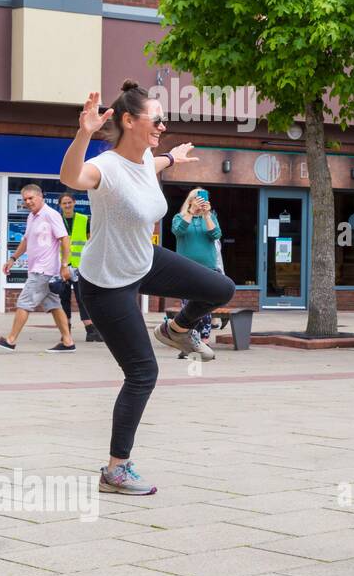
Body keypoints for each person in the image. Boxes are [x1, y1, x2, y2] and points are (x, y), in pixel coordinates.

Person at [60, 82, 234, 495]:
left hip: (144, 259)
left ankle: (176, 329)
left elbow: (152, 166)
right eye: (156, 119)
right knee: (142, 373)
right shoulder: (106, 166)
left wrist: (172, 157)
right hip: (106, 283)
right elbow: (71, 176)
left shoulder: (141, 162)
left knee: (220, 288)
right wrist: (84, 132)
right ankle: (115, 470)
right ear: (128, 120)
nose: (162, 124)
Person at [0, 184, 76, 353]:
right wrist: (13, 258)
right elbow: (25, 241)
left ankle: (10, 340)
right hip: (39, 269)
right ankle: (68, 342)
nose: (28, 202)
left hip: (44, 270)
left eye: (31, 198)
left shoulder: (51, 214)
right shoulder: (32, 217)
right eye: (25, 199)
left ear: (41, 197)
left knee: (24, 303)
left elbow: (65, 239)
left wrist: (64, 265)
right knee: (55, 305)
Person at [170, 188, 223, 354]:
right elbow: (178, 231)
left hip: (208, 269)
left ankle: (204, 341)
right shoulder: (179, 217)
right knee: (188, 308)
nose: (201, 201)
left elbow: (216, 234)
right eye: (197, 198)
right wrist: (191, 212)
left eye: (203, 199)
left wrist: (207, 215)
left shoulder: (210, 217)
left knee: (205, 307)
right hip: (186, 269)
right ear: (191, 200)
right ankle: (187, 341)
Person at [58, 192, 99, 341]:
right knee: (64, 298)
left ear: (74, 203)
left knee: (83, 297)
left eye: (69, 202)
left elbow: (91, 240)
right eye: (64, 203)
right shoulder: (57, 220)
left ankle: (90, 331)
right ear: (60, 205)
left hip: (80, 265)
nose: (67, 205)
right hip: (61, 266)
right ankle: (66, 331)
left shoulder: (83, 219)